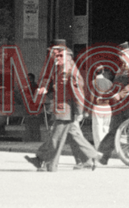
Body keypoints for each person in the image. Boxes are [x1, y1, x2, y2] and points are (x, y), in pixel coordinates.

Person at [26, 40, 100, 172]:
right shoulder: (60, 69)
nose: (55, 58)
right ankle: (88, 159)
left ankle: (49, 164)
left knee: (56, 138)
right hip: (62, 110)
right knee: (72, 136)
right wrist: (44, 89)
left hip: (66, 111)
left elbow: (78, 94)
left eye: (59, 56)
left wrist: (80, 112)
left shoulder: (70, 73)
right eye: (54, 55)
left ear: (68, 57)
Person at [96, 42, 129, 165]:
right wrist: (106, 96)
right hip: (119, 106)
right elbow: (115, 85)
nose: (122, 57)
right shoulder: (121, 69)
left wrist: (120, 95)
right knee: (113, 129)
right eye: (120, 55)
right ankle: (102, 154)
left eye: (123, 54)